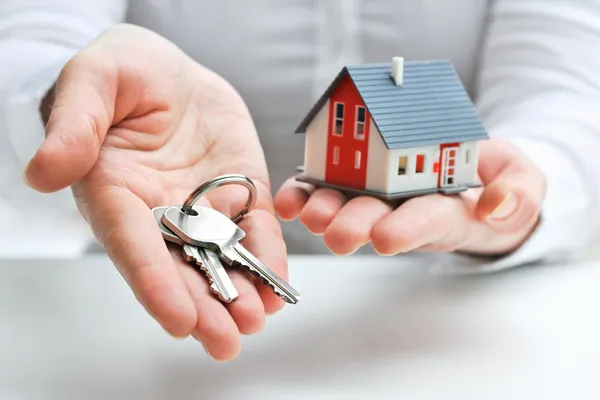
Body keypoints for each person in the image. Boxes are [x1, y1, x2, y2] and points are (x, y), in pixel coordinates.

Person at [1, 0, 599, 361]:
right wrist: (70, 96)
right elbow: (26, 43)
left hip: (465, 321)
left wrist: (523, 183)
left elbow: (568, 96)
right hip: (116, 321)